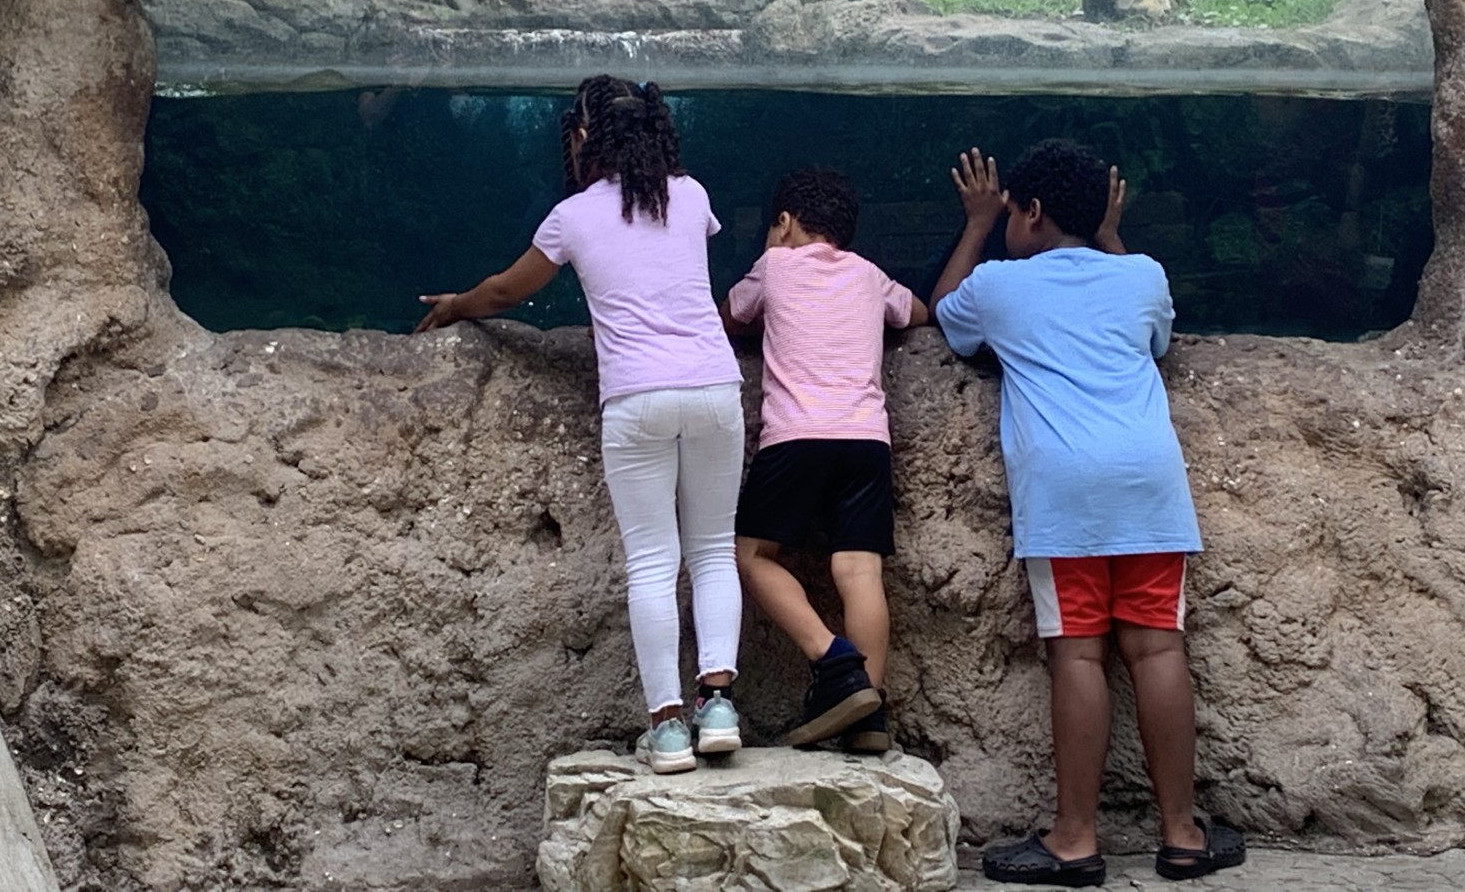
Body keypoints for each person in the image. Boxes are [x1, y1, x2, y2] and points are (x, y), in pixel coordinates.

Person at [930, 141, 1246, 886]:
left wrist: (975, 226)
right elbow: (1156, 334)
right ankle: (1181, 834)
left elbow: (944, 316)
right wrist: (1107, 230)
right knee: (1158, 649)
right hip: (1149, 484)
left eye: (1011, 211)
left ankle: (1075, 838)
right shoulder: (1143, 275)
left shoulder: (1000, 285)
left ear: (1030, 212)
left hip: (1065, 491)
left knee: (1078, 654)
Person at [414, 75, 744, 776]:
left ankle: (668, 728)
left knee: (654, 561)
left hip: (637, 399)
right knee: (713, 550)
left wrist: (457, 306)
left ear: (586, 136)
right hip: (716, 388)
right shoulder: (692, 196)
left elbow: (508, 290)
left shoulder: (572, 216)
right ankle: (718, 706)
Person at [722, 167, 928, 750]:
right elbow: (915, 312)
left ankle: (835, 662)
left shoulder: (776, 265)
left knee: (750, 554)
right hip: (866, 440)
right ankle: (869, 714)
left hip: (796, 437)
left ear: (784, 223)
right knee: (859, 572)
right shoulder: (868, 274)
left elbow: (732, 315)